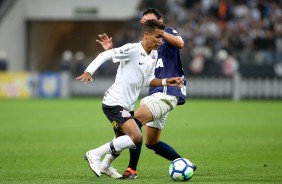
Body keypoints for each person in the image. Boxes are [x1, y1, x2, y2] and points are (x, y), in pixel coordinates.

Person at [76, 19, 184, 178]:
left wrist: (166, 81)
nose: (160, 41)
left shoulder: (153, 54)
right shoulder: (132, 49)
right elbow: (104, 55)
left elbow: (148, 80)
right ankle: (95, 154)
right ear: (146, 35)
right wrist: (88, 72)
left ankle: (105, 166)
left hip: (127, 105)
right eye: (157, 37)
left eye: (162, 37)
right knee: (136, 137)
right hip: (114, 102)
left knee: (121, 139)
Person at [96, 8, 196, 179]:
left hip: (166, 90)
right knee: (152, 142)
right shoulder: (146, 43)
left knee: (133, 126)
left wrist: (160, 31)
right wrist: (111, 50)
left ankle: (127, 168)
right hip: (157, 91)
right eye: (144, 22)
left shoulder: (166, 33)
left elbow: (180, 43)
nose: (146, 24)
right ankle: (184, 162)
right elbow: (125, 60)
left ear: (160, 21)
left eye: (150, 20)